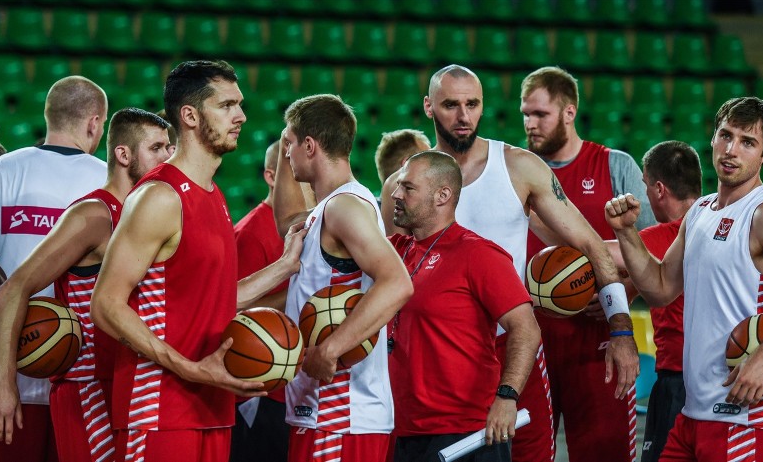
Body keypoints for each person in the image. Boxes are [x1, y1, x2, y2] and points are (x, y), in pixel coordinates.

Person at [381, 64, 639, 462]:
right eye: (451, 105)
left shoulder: (520, 167)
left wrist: (621, 328)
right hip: (435, 362)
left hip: (513, 346)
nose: (463, 116)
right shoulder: (402, 187)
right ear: (429, 107)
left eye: (473, 104)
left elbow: (590, 244)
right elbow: (387, 276)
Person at [607, 97, 763, 461]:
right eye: (726, 136)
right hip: (693, 413)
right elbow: (658, 288)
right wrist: (626, 233)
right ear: (714, 139)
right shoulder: (700, 211)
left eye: (748, 142)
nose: (732, 150)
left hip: (749, 417)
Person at [90, 60, 305, 462]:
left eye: (239, 105)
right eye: (226, 106)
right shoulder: (159, 197)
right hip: (158, 408)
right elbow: (105, 304)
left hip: (211, 406)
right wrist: (189, 368)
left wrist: (286, 265)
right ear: (189, 116)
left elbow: (215, 299)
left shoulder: (214, 195)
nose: (241, 116)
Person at [0, 108, 172, 462]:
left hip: (127, 383)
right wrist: (3, 384)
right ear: (123, 154)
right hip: (86, 385)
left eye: (170, 147)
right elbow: (14, 287)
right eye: (158, 148)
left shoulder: (147, 214)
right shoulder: (93, 213)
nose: (168, 156)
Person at [518, 66, 657, 462]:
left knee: (604, 452)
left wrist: (622, 294)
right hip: (529, 340)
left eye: (540, 114)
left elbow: (655, 256)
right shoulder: (512, 170)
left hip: (598, 338)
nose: (530, 124)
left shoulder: (616, 166)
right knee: (523, 455)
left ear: (568, 112)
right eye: (525, 114)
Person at [271, 94, 413, 462]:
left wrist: (331, 350)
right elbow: (288, 219)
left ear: (309, 145)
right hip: (324, 412)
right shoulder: (327, 207)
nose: (285, 154)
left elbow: (397, 282)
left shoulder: (345, 206)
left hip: (343, 412)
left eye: (290, 143)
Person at [388, 151, 541, 462]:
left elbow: (526, 328)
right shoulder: (395, 251)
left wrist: (507, 396)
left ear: (443, 195)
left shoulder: (478, 254)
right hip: (403, 430)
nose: (395, 194)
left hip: (467, 435)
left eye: (408, 187)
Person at [0, 75, 108, 462]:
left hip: (7, 372)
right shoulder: (107, 180)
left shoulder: (4, 169)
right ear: (94, 123)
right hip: (80, 377)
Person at [605, 141, 703, 462]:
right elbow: (639, 278)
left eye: (646, 185)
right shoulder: (717, 226)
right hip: (717, 378)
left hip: (678, 382)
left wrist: (533, 217)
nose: (645, 193)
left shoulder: (662, 236)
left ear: (659, 189)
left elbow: (596, 252)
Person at [229, 140, 291, 462]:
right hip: (263, 389)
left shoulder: (301, 225)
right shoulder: (252, 232)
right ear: (271, 176)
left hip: (288, 386)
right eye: (293, 170)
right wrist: (299, 295)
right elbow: (237, 311)